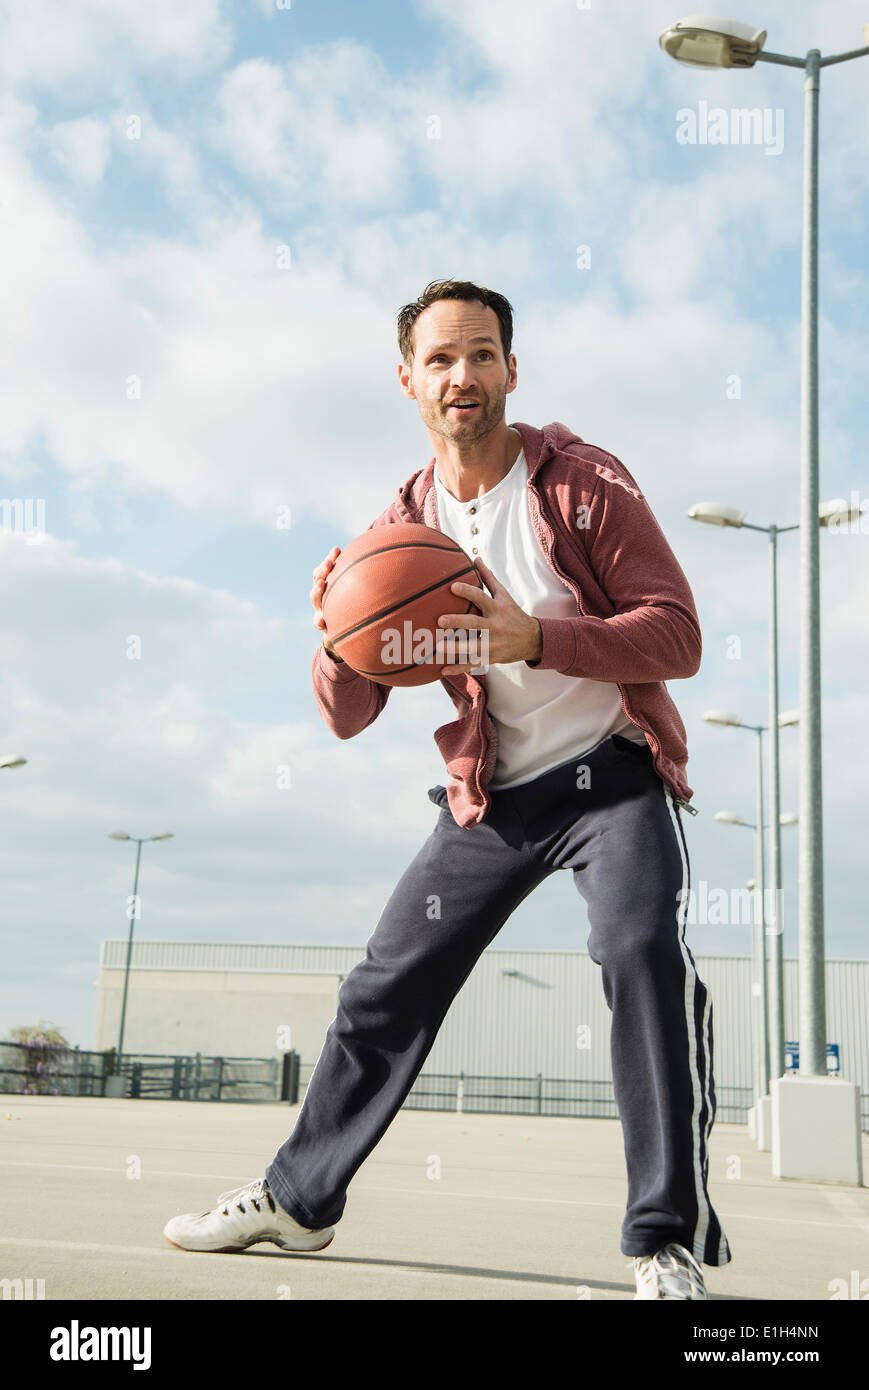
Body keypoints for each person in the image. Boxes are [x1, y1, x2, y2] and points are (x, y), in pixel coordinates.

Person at [164, 279, 731, 1300]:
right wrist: (336, 635)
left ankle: (665, 1238)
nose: (460, 375)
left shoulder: (583, 484)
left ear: (512, 369)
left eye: (479, 354)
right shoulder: (401, 525)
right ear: (406, 382)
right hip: (494, 796)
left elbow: (676, 634)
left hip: (609, 776)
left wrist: (536, 637)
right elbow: (344, 715)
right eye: (438, 360)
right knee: (384, 985)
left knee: (637, 949)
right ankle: (297, 1201)